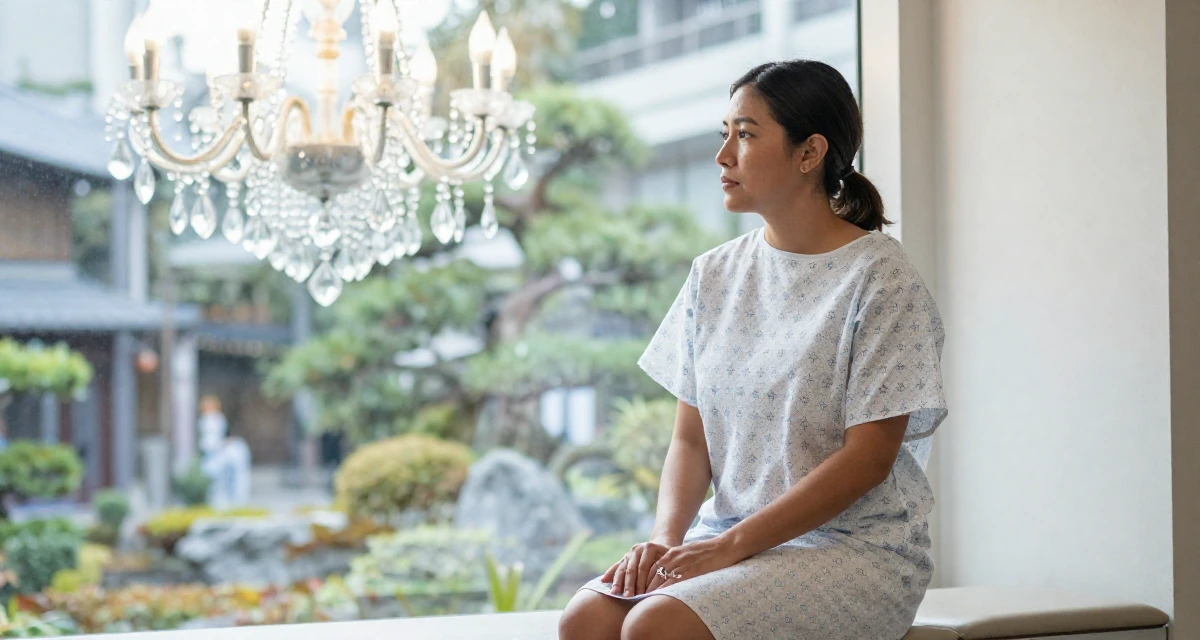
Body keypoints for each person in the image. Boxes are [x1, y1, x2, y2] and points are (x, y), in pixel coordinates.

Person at [559, 59, 948, 640]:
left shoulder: (879, 277)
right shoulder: (713, 274)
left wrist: (731, 546)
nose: (723, 156)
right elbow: (690, 440)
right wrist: (665, 540)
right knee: (586, 618)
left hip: (854, 549)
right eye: (725, 134)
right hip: (727, 536)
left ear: (809, 152)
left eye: (744, 134)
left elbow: (868, 459)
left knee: (657, 625)